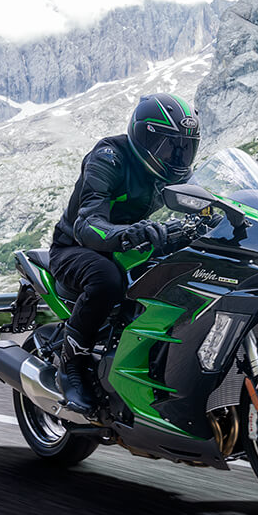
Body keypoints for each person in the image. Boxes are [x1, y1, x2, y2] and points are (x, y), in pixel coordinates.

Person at [48, 92, 201, 413]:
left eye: (185, 147)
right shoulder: (109, 157)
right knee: (106, 279)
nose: (177, 156)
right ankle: (71, 366)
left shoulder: (177, 172)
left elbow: (208, 201)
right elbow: (87, 223)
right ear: (144, 137)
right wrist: (129, 233)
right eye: (169, 146)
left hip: (128, 245)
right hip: (75, 248)